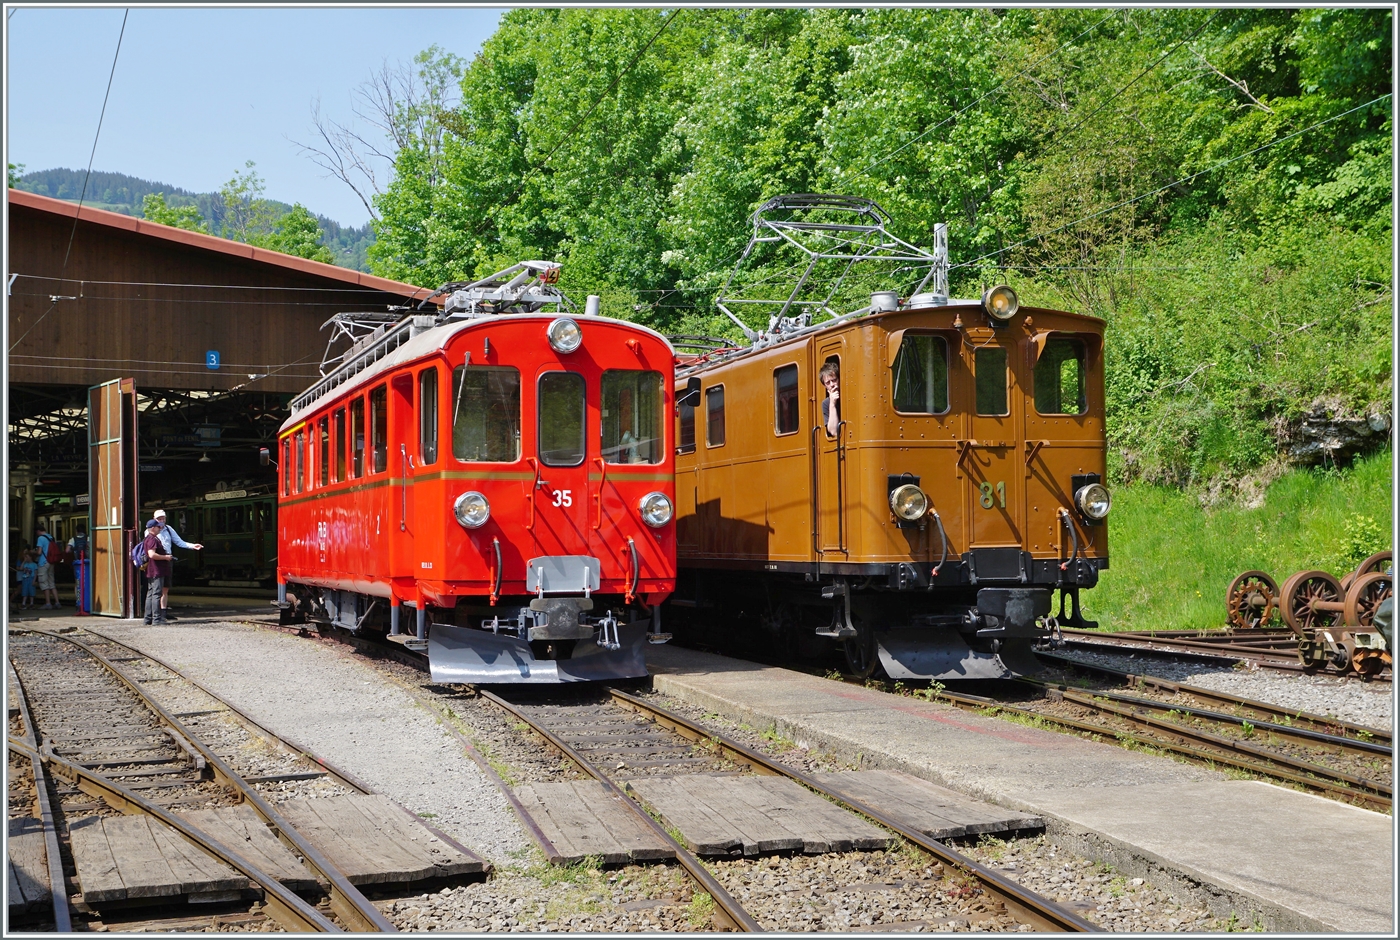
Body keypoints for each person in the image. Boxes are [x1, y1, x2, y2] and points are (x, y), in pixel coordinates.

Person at [152, 508, 202, 621]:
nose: (161, 520)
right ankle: (155, 615)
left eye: (163, 518)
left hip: (168, 560)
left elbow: (179, 542)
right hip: (157, 561)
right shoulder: (151, 530)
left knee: (165, 588)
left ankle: (163, 613)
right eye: (159, 518)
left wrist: (193, 546)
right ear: (154, 519)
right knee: (156, 589)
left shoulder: (169, 529)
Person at [141, 519, 173, 625]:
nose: (160, 528)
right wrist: (166, 557)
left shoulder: (148, 539)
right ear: (153, 528)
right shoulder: (152, 539)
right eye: (158, 527)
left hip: (151, 570)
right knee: (156, 594)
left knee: (150, 594)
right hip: (156, 570)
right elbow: (151, 554)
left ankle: (148, 618)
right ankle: (156, 619)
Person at [34, 523, 60, 609]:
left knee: (44, 583)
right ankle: (57, 602)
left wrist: (32, 552)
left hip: (43, 562)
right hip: (51, 562)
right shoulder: (50, 537)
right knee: (51, 583)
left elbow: (39, 552)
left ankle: (48, 603)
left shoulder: (40, 538)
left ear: (38, 531)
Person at [67, 523, 89, 612]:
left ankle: (78, 602)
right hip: (87, 563)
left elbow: (67, 550)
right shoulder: (88, 538)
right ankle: (87, 601)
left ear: (76, 531)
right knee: (87, 582)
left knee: (78, 583)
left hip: (78, 563)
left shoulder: (73, 539)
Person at [820, 360, 841, 438]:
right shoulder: (826, 403)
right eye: (828, 383)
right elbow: (834, 431)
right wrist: (832, 403)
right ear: (825, 386)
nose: (832, 385)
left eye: (834, 380)